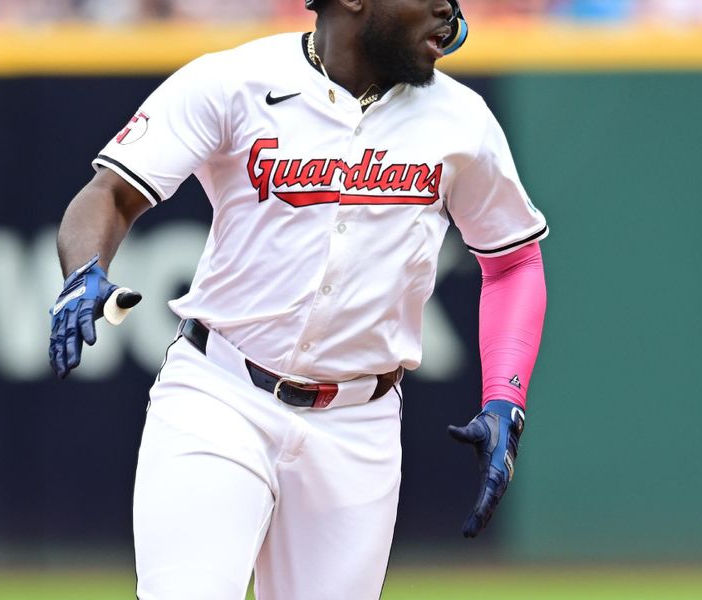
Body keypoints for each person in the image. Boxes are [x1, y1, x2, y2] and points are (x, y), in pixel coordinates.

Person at [48, 1, 548, 598]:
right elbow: (109, 194)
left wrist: (505, 399)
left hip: (359, 426)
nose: (449, 8)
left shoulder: (461, 120)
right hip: (221, 396)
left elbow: (514, 262)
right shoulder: (234, 80)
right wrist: (84, 270)